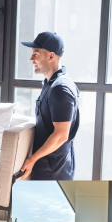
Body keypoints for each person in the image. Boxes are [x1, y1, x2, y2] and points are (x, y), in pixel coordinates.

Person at [17, 32, 79, 181]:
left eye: (36, 54)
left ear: (51, 56)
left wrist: (32, 159)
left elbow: (61, 135)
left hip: (53, 172)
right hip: (48, 168)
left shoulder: (60, 88)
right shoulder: (51, 84)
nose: (31, 59)